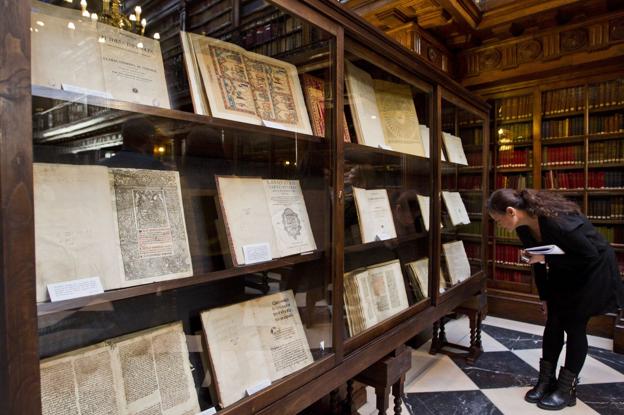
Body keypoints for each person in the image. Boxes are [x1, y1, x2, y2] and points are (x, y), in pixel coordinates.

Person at [487, 188, 624, 410]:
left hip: (593, 270)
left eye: (497, 219)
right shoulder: (524, 228)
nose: (498, 224)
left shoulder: (556, 221)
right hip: (565, 268)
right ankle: (546, 381)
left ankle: (566, 389)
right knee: (553, 322)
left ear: (511, 211)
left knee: (574, 324)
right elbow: (538, 263)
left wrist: (546, 256)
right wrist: (545, 297)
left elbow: (587, 255)